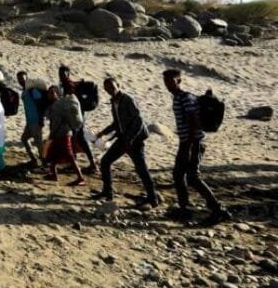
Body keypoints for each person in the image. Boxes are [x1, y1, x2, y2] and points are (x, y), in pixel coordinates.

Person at [163, 69, 231, 225]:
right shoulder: (178, 98)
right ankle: (184, 209)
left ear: (179, 81)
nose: (167, 84)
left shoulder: (186, 98)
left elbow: (193, 121)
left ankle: (218, 210)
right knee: (178, 174)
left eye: (171, 81)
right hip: (186, 142)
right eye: (165, 81)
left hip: (193, 142)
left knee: (193, 177)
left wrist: (189, 147)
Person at [92, 78, 159, 208]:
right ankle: (107, 192)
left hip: (134, 140)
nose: (109, 89)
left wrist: (131, 140)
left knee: (141, 170)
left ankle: (153, 198)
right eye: (106, 88)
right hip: (123, 139)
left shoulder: (128, 99)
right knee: (105, 162)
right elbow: (117, 123)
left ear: (118, 85)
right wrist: (103, 133)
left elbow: (138, 122)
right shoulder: (113, 101)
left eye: (111, 86)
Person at [44, 84, 86, 186]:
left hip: (63, 134)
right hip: (60, 134)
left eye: (52, 92)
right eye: (49, 93)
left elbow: (57, 122)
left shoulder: (58, 106)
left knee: (70, 156)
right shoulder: (57, 105)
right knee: (53, 154)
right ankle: (53, 174)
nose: (50, 95)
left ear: (57, 93)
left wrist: (52, 134)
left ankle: (80, 177)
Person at [58, 65, 97, 174]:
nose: (61, 76)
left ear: (68, 74)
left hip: (76, 116)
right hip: (76, 116)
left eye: (63, 74)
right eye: (60, 74)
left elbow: (72, 102)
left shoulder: (69, 85)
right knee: (78, 139)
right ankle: (88, 163)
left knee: (76, 139)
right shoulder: (65, 85)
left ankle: (84, 164)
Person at [18, 71, 46, 167]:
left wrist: (41, 119)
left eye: (22, 78)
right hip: (29, 122)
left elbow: (40, 105)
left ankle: (44, 164)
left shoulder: (32, 90)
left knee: (39, 144)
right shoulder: (25, 91)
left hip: (36, 121)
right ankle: (34, 160)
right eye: (19, 79)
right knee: (24, 139)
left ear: (27, 78)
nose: (21, 80)